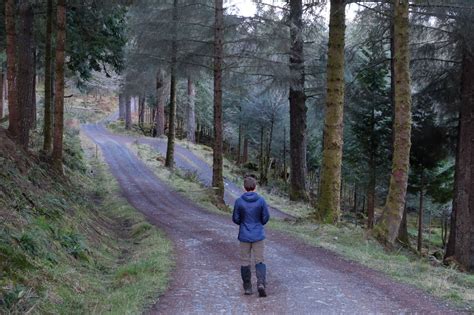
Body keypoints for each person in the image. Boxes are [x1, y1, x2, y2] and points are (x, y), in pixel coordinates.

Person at [232, 176, 270, 297]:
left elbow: (235, 218)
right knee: (260, 260)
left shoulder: (239, 201)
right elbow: (265, 218)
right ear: (255, 187)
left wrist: (243, 224)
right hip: (258, 235)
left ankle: (248, 287)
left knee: (245, 261)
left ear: (244, 188)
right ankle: (261, 284)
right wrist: (258, 224)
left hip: (244, 235)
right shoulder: (261, 200)